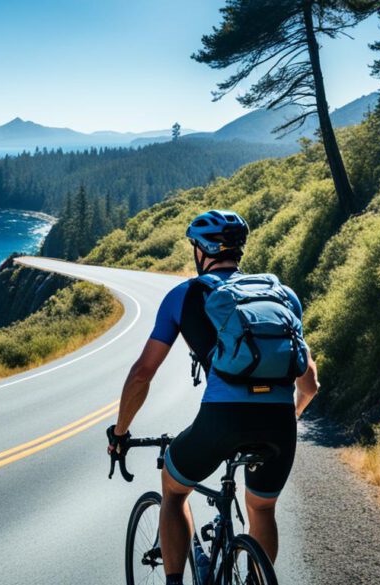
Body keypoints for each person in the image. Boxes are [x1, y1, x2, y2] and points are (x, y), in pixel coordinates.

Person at [107, 209, 320, 585]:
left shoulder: (185, 296)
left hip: (223, 418)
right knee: (262, 508)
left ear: (201, 250)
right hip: (279, 425)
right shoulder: (282, 295)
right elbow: (310, 385)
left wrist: (120, 433)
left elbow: (143, 373)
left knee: (173, 490)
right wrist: (287, 419)